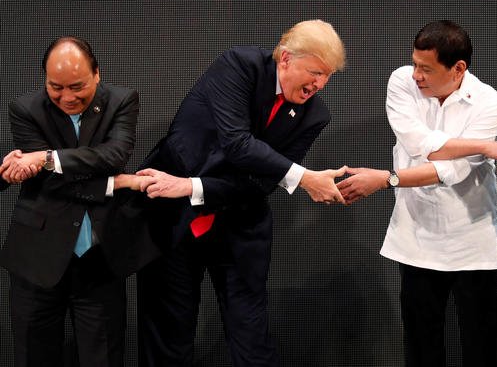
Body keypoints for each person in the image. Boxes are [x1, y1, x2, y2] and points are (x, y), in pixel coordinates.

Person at [134, 19, 347, 366]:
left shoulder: (315, 116)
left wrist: (194, 187)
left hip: (239, 222)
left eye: (327, 76)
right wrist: (305, 177)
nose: (319, 84)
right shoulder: (240, 66)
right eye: (315, 72)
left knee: (251, 336)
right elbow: (237, 144)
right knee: (168, 333)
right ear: (287, 59)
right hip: (172, 213)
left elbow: (260, 183)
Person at [337, 20, 497, 367]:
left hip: (470, 241)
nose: (416, 75)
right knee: (420, 347)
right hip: (416, 237)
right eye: (415, 63)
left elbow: (453, 171)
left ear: (458, 68)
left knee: (482, 347)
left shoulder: (491, 104)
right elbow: (419, 144)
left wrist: (387, 179)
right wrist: (484, 147)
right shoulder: (402, 81)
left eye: (427, 69)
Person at [0, 36, 158, 367]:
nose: (66, 97)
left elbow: (113, 155)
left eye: (77, 86)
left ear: (96, 75)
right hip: (37, 260)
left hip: (99, 262)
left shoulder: (121, 100)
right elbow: (51, 183)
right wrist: (117, 184)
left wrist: (45, 157)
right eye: (55, 87)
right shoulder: (25, 109)